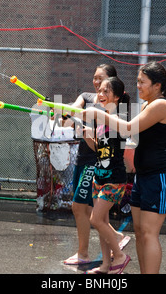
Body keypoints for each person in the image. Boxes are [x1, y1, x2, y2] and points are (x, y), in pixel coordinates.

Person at [81, 62, 166, 274]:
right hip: (142, 176)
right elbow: (129, 136)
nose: (139, 86)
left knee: (150, 233)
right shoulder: (145, 106)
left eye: (142, 82)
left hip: (159, 177)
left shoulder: (161, 105)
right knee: (141, 231)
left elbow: (127, 128)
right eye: (138, 81)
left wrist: (99, 114)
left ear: (157, 85)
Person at [63, 64, 130, 265]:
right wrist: (62, 114)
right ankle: (106, 256)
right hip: (87, 161)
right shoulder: (89, 99)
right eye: (95, 79)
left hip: (100, 167)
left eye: (102, 81)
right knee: (90, 213)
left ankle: (92, 252)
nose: (97, 84)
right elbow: (70, 119)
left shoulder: (112, 112)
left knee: (85, 210)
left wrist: (70, 114)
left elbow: (89, 117)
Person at [80, 76, 131, 274]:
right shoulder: (101, 121)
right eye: (99, 91)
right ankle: (105, 265)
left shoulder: (119, 118)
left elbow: (122, 129)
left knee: (95, 220)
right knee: (103, 223)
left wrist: (96, 114)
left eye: (106, 91)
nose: (100, 94)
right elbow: (98, 149)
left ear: (117, 97)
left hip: (114, 179)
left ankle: (119, 255)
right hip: (99, 177)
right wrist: (88, 137)